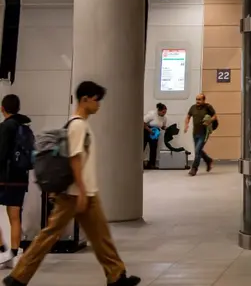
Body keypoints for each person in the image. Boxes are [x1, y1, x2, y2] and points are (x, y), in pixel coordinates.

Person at [3, 81, 141, 286]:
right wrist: (83, 191)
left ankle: (116, 275)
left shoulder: (81, 124)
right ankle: (18, 276)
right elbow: (75, 159)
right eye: (96, 100)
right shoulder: (77, 125)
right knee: (49, 236)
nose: (99, 105)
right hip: (74, 194)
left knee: (101, 236)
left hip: (83, 193)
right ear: (85, 99)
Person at [0, 95, 32, 269]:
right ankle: (14, 253)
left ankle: (2, 251)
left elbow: (1, 153)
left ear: (2, 108)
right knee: (15, 216)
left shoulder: (5, 127)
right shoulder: (24, 126)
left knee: (9, 215)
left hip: (5, 179)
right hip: (21, 177)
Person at [184, 94, 217, 176]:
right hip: (195, 133)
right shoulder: (193, 107)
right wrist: (186, 125)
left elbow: (215, 117)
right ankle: (208, 160)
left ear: (204, 100)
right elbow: (188, 116)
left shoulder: (208, 107)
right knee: (198, 150)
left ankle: (194, 168)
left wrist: (209, 121)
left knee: (197, 151)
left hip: (204, 133)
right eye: (196, 99)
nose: (197, 101)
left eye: (199, 99)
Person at [142, 103, 167, 170]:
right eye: (163, 112)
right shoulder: (151, 114)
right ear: (159, 110)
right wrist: (149, 130)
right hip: (146, 131)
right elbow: (142, 122)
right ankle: (139, 164)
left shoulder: (164, 118)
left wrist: (165, 128)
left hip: (155, 133)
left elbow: (162, 126)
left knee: (153, 148)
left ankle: (152, 164)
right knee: (142, 147)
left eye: (165, 112)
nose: (164, 113)